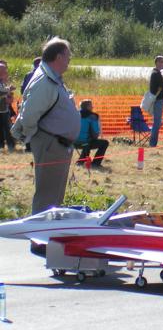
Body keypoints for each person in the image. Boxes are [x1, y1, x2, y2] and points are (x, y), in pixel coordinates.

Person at [11, 37, 81, 213]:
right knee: (47, 198)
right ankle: (39, 231)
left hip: (55, 144)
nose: (69, 60)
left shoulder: (51, 78)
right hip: (50, 144)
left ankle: (47, 229)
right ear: (58, 57)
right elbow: (29, 116)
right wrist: (37, 137)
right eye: (68, 56)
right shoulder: (44, 81)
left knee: (53, 197)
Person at [75, 99, 109, 168]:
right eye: (91, 106)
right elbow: (95, 134)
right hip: (85, 143)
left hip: (72, 142)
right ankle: (95, 163)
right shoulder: (93, 116)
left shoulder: (74, 114)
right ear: (88, 107)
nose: (92, 107)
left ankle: (81, 161)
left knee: (86, 141)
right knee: (105, 143)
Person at [148, 55, 163, 147]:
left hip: (157, 99)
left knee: (157, 122)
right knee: (157, 122)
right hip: (158, 100)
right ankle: (152, 143)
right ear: (157, 63)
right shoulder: (156, 73)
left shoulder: (155, 73)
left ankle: (152, 142)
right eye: (162, 62)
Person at [0, 63, 16, 151]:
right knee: (5, 128)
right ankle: (3, 145)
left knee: (7, 128)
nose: (6, 72)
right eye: (4, 70)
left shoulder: (2, 82)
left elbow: (5, 94)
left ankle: (10, 145)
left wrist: (10, 94)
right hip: (2, 109)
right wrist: (9, 89)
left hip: (4, 109)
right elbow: (1, 92)